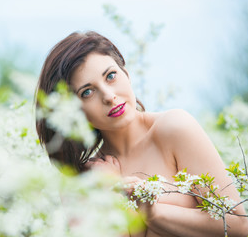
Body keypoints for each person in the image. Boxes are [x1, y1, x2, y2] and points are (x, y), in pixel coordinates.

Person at [35, 31, 248, 236]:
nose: (109, 96)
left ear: (125, 72)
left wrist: (154, 214)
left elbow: (239, 226)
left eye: (111, 76)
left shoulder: (174, 128)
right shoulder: (83, 180)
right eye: (87, 92)